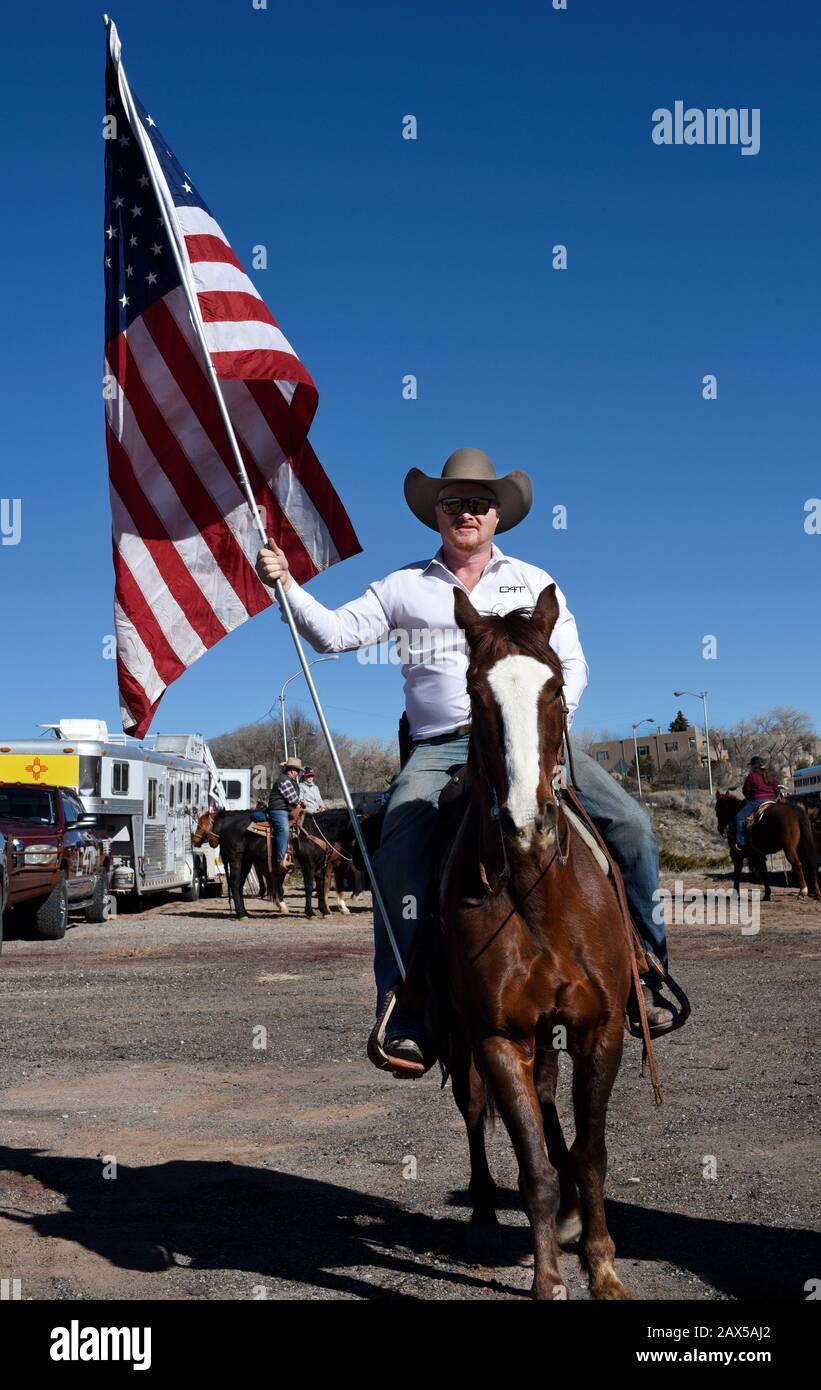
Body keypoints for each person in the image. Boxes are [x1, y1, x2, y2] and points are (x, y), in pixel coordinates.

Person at [256, 448, 678, 1065]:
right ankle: (406, 1004)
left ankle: (646, 970)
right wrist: (285, 584)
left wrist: (546, 729)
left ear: (498, 515)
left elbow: (575, 664)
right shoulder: (403, 586)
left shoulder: (535, 582)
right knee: (399, 837)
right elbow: (333, 634)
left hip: (533, 739)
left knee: (634, 829)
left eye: (478, 503)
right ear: (437, 514)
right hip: (441, 745)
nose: (466, 512)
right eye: (453, 502)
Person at [735, 756, 780, 850]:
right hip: (772, 800)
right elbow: (777, 790)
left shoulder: (751, 775)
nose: (750, 767)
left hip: (757, 801)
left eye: (751, 765)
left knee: (738, 818)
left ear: (753, 765)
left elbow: (746, 792)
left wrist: (751, 797)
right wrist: (772, 799)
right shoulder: (770, 774)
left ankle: (741, 842)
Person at [267, 757, 304, 866]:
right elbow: (293, 799)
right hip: (279, 809)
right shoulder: (284, 780)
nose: (298, 773)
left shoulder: (289, 780)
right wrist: (301, 804)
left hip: (286, 809)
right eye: (297, 771)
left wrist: (301, 803)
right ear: (292, 770)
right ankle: (281, 860)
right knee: (284, 830)